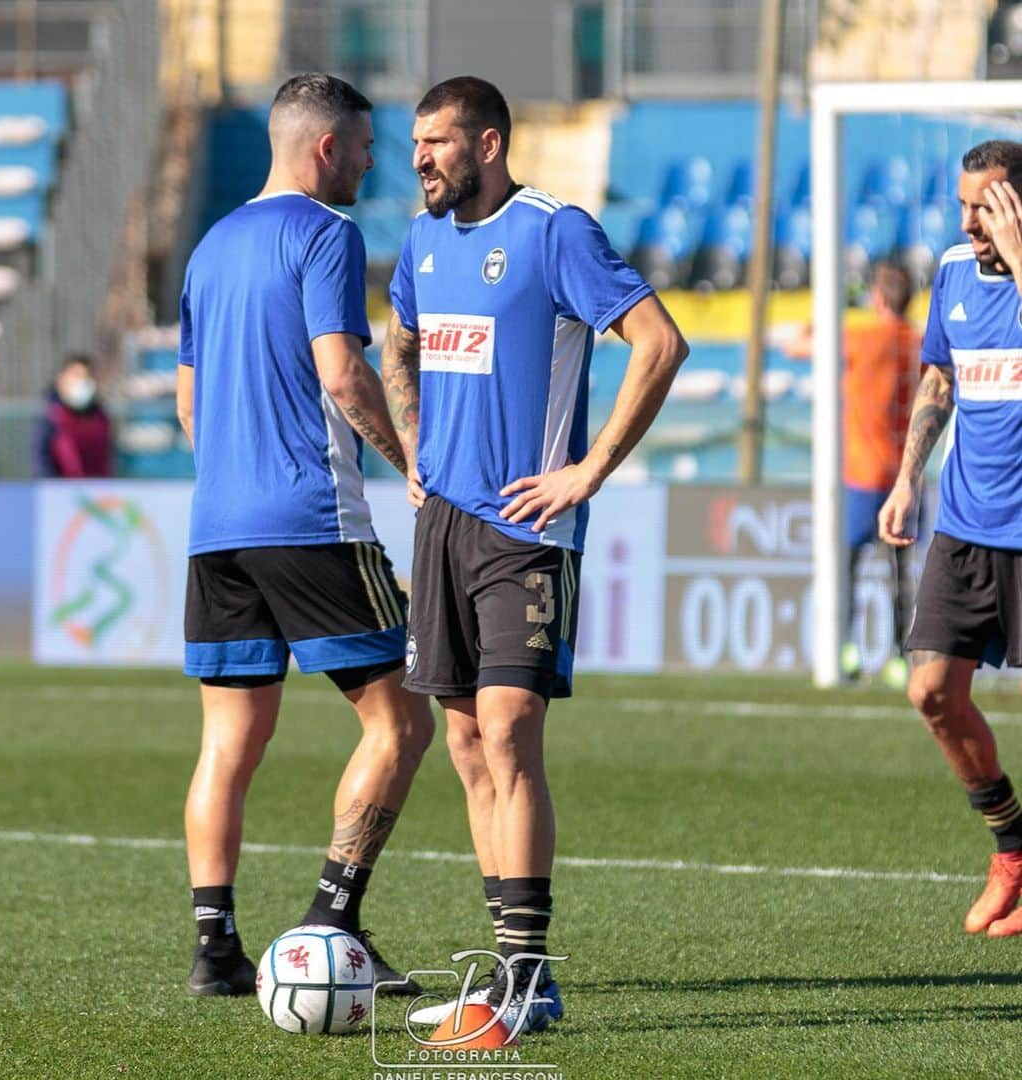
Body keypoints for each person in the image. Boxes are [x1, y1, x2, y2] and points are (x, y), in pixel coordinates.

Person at [381, 76, 688, 1031]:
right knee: (467, 747)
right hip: (443, 527)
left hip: (529, 528)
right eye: (416, 142)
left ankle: (521, 971)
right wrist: (414, 447)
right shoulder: (423, 243)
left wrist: (588, 469)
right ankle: (519, 976)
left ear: (488, 144)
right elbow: (397, 346)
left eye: (437, 142)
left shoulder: (557, 231)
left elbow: (659, 342)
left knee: (509, 731)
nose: (420, 157)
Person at [175, 73, 434, 997]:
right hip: (311, 520)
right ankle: (334, 920)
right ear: (326, 147)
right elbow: (342, 371)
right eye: (366, 146)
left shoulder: (208, 248)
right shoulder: (325, 233)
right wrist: (407, 461)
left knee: (228, 744)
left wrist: (237, 473)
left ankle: (216, 952)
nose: (374, 160)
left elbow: (188, 404)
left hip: (218, 527)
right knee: (401, 718)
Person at [879, 139, 1022, 939]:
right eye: (965, 204)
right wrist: (908, 477)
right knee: (931, 691)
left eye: (987, 205)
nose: (970, 221)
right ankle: (1012, 846)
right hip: (966, 526)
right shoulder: (954, 270)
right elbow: (940, 375)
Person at [787, 262, 922, 686]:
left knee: (849, 566)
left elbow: (796, 346)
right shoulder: (917, 340)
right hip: (905, 474)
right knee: (900, 571)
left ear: (877, 298)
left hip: (862, 472)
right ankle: (901, 657)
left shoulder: (861, 336)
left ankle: (846, 647)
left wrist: (832, 307)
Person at [36, 353, 113, 478]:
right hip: (61, 492)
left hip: (95, 491)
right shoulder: (51, 416)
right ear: (62, 380)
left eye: (87, 377)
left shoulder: (101, 417)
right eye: (77, 376)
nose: (82, 382)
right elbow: (41, 461)